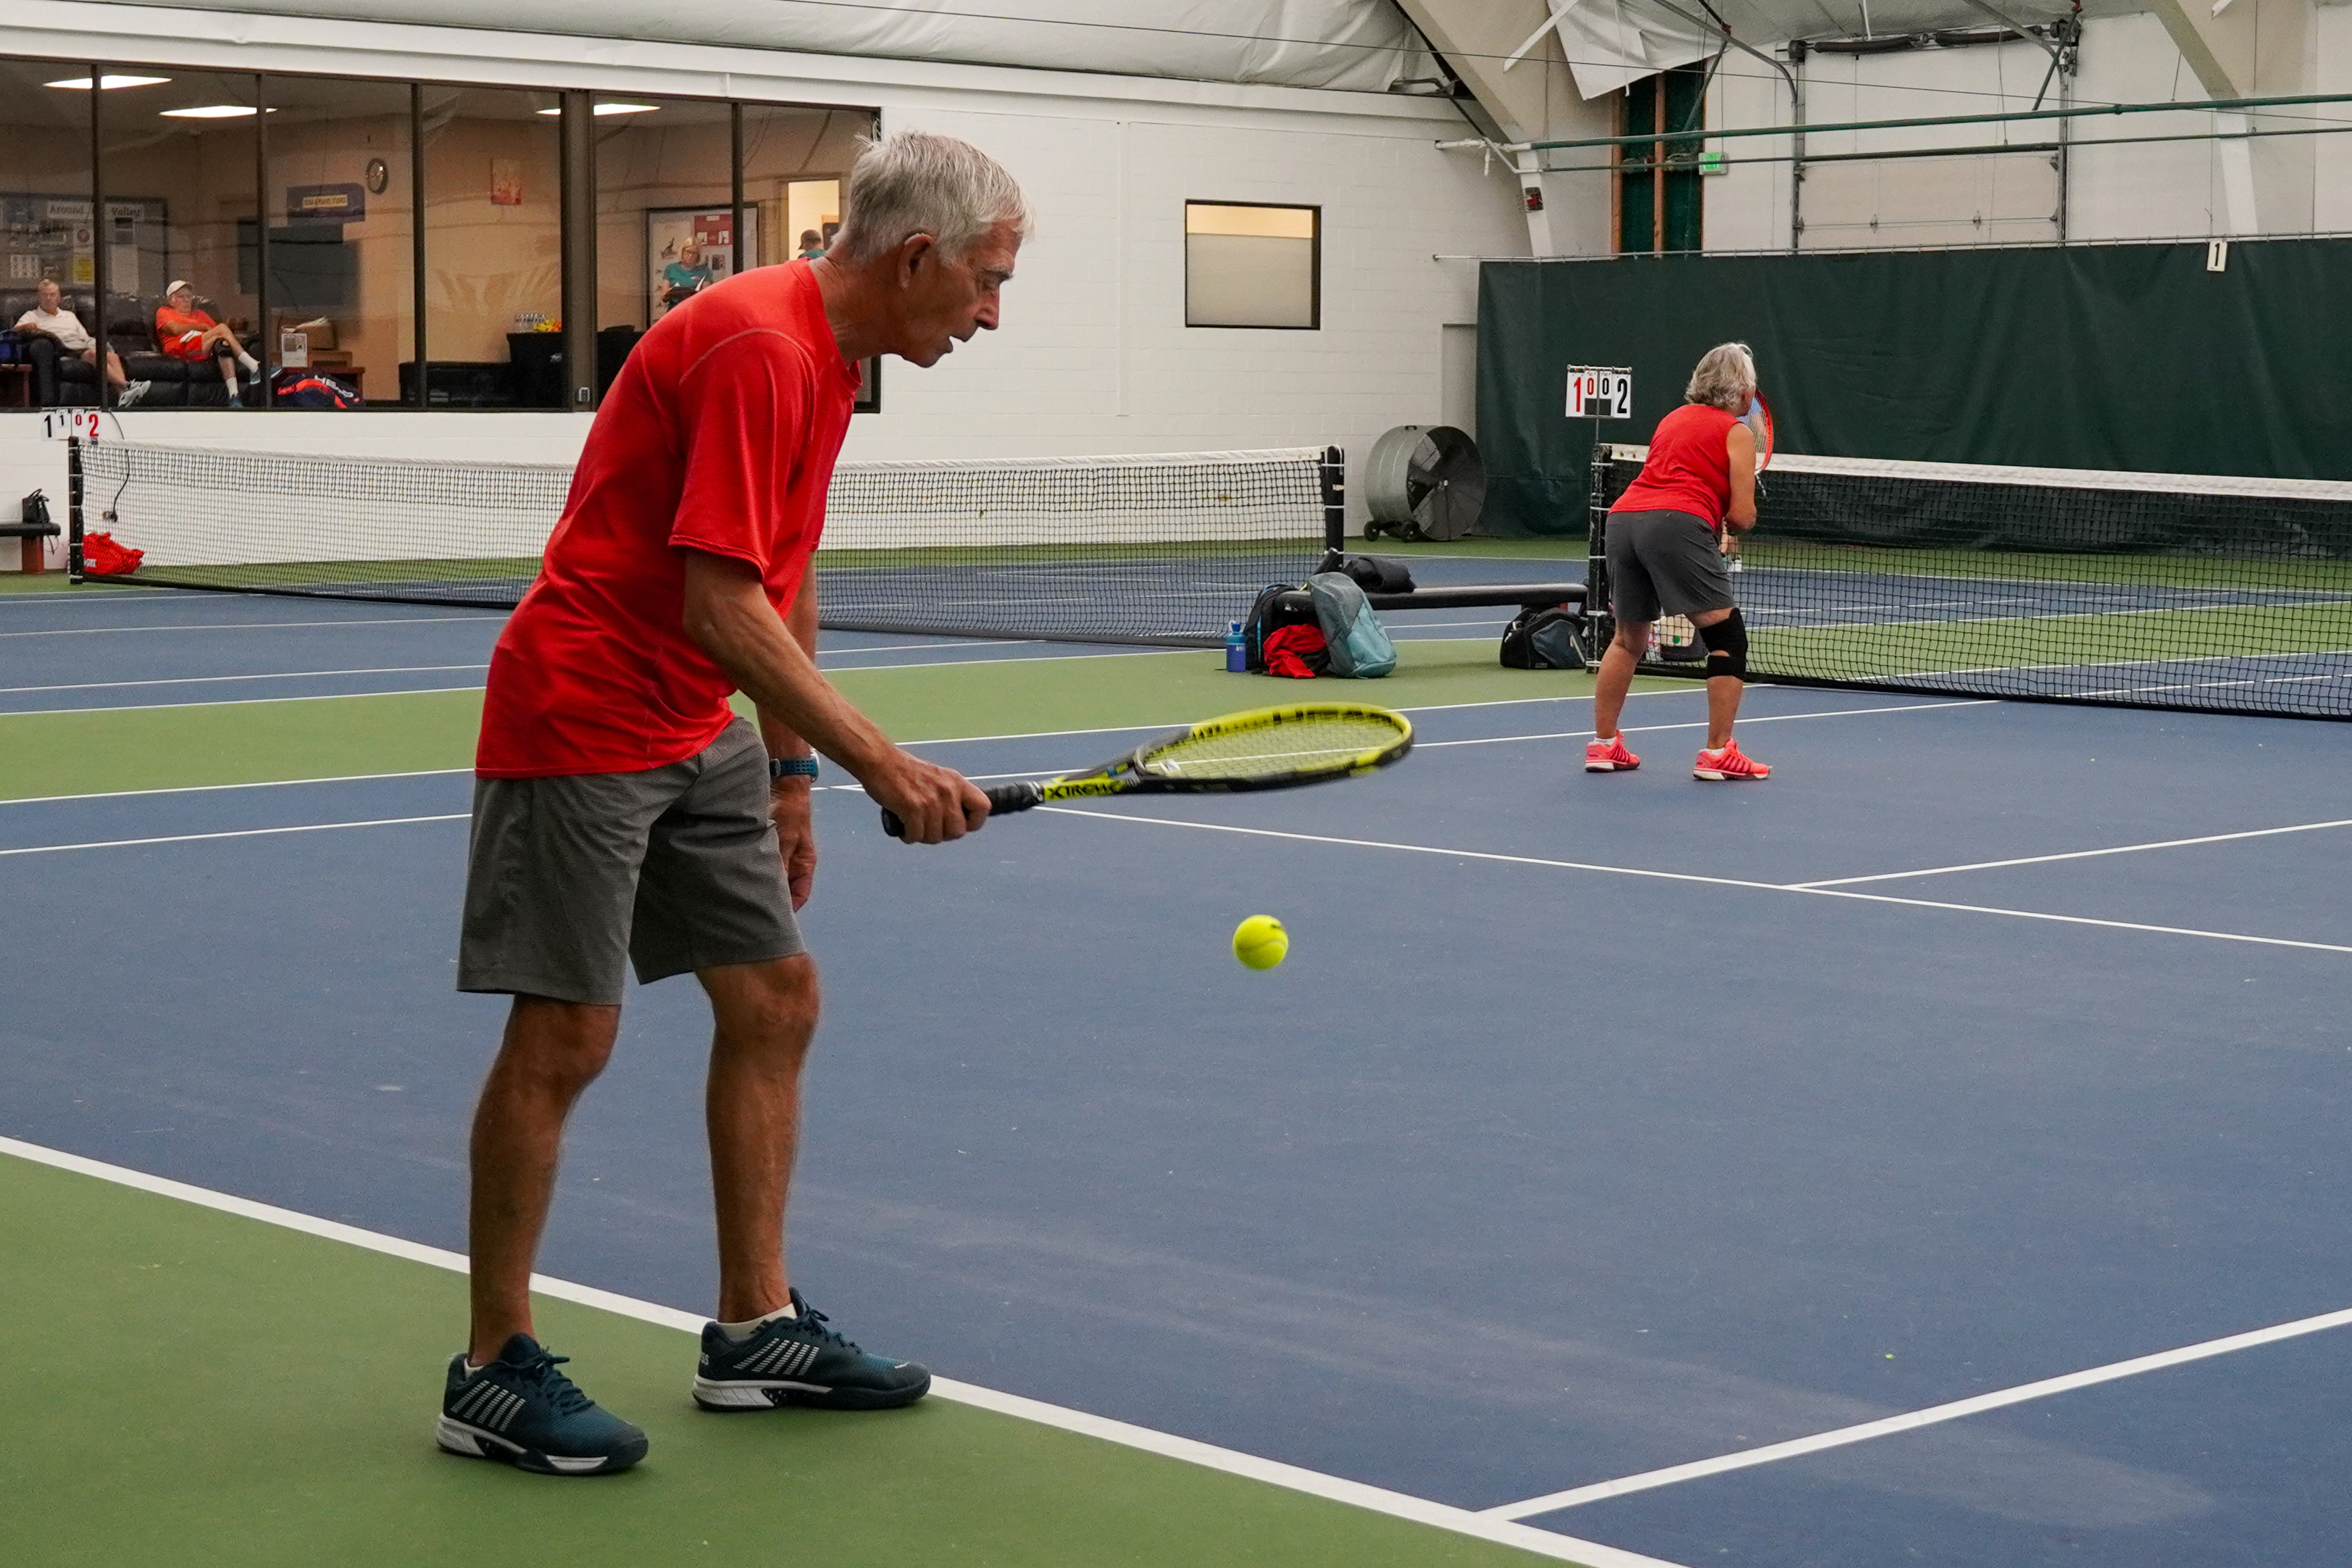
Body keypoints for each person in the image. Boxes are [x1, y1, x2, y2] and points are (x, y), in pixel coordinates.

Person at [439, 129, 1028, 1478]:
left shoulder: (833, 356)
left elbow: (779, 571)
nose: (993, 311)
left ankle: (756, 1327)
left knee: (774, 997)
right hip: (585, 706)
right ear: (918, 255)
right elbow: (720, 601)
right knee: (571, 1029)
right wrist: (889, 762)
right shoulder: (761, 346)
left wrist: (791, 770)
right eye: (988, 280)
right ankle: (490, 1365)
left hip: (695, 718)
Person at [1585, 341, 1770, 782]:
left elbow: (1676, 475)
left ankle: (1603, 745)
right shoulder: (1736, 433)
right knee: (1727, 636)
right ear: (1744, 392)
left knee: (1628, 640)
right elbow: (1741, 517)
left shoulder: (1672, 419)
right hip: (1674, 524)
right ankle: (1718, 752)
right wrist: (1732, 513)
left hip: (1623, 519)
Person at [12, 278, 149, 407]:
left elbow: (84, 337)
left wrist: (99, 346)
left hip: (79, 344)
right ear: (39, 297)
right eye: (45, 295)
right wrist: (26, 326)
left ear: (58, 297)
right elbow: (14, 332)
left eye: (52, 294)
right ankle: (126, 385)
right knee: (91, 354)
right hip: (61, 347)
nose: (49, 298)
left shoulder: (69, 316)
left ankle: (123, 397)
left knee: (112, 356)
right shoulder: (31, 315)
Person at [154, 280, 262, 406]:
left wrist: (228, 329)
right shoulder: (164, 312)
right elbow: (174, 329)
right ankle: (254, 366)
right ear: (171, 301)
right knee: (221, 329)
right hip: (181, 349)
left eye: (189, 297)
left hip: (202, 347)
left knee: (223, 345)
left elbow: (217, 332)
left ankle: (234, 396)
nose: (187, 300)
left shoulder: (200, 314)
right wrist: (202, 326)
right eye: (182, 297)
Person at [658, 239, 716, 309]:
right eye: (688, 252)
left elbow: (706, 296)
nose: (691, 255)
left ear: (698, 255)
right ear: (682, 252)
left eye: (694, 253)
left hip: (695, 309)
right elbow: (664, 297)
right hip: (675, 310)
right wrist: (670, 293)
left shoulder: (704, 271)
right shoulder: (671, 269)